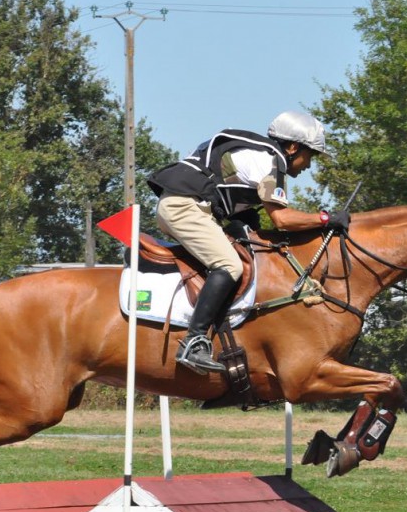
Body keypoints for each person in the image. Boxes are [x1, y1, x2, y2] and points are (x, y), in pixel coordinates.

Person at [147, 111, 345, 375]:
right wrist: (325, 218)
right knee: (229, 265)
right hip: (186, 207)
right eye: (310, 155)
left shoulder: (258, 155)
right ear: (294, 147)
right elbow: (282, 220)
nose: (309, 165)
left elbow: (247, 217)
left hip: (187, 204)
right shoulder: (272, 162)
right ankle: (193, 343)